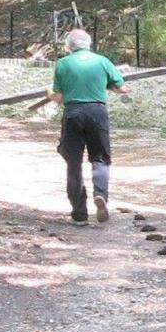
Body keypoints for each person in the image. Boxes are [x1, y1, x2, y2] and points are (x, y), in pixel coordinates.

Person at [42, 28, 128, 223]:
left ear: (69, 46)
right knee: (100, 159)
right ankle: (100, 195)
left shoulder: (62, 64)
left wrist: (49, 94)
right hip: (97, 112)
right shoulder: (103, 61)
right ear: (89, 44)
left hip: (73, 113)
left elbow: (58, 97)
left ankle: (79, 213)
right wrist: (118, 87)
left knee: (73, 164)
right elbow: (121, 88)